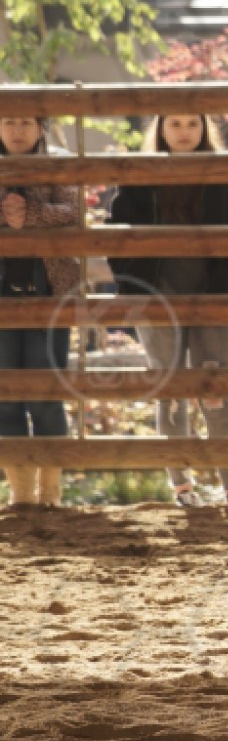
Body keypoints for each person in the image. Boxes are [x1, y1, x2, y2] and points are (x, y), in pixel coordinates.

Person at [107, 115, 228, 506]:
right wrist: (135, 284)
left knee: (216, 387)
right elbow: (115, 234)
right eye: (175, 124)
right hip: (156, 295)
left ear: (204, 130)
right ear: (161, 129)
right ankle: (182, 488)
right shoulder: (138, 176)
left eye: (192, 124)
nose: (184, 131)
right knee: (170, 391)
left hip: (214, 295)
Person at [0, 116, 80, 507]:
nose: (17, 130)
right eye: (8, 122)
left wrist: (29, 213)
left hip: (51, 296)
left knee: (47, 394)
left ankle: (51, 492)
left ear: (41, 128)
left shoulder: (59, 162)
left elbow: (73, 210)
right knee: (5, 397)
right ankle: (21, 493)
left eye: (26, 123)